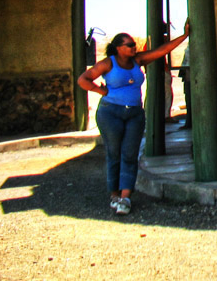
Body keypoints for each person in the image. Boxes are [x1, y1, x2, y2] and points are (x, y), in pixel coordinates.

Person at [78, 22, 190, 216]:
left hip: (134, 114)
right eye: (129, 45)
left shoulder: (138, 61)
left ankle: (125, 197)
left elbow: (162, 50)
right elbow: (83, 79)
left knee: (130, 155)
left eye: (133, 44)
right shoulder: (108, 63)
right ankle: (114, 194)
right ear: (118, 48)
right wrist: (99, 90)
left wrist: (184, 35)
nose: (133, 47)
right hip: (110, 112)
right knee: (114, 153)